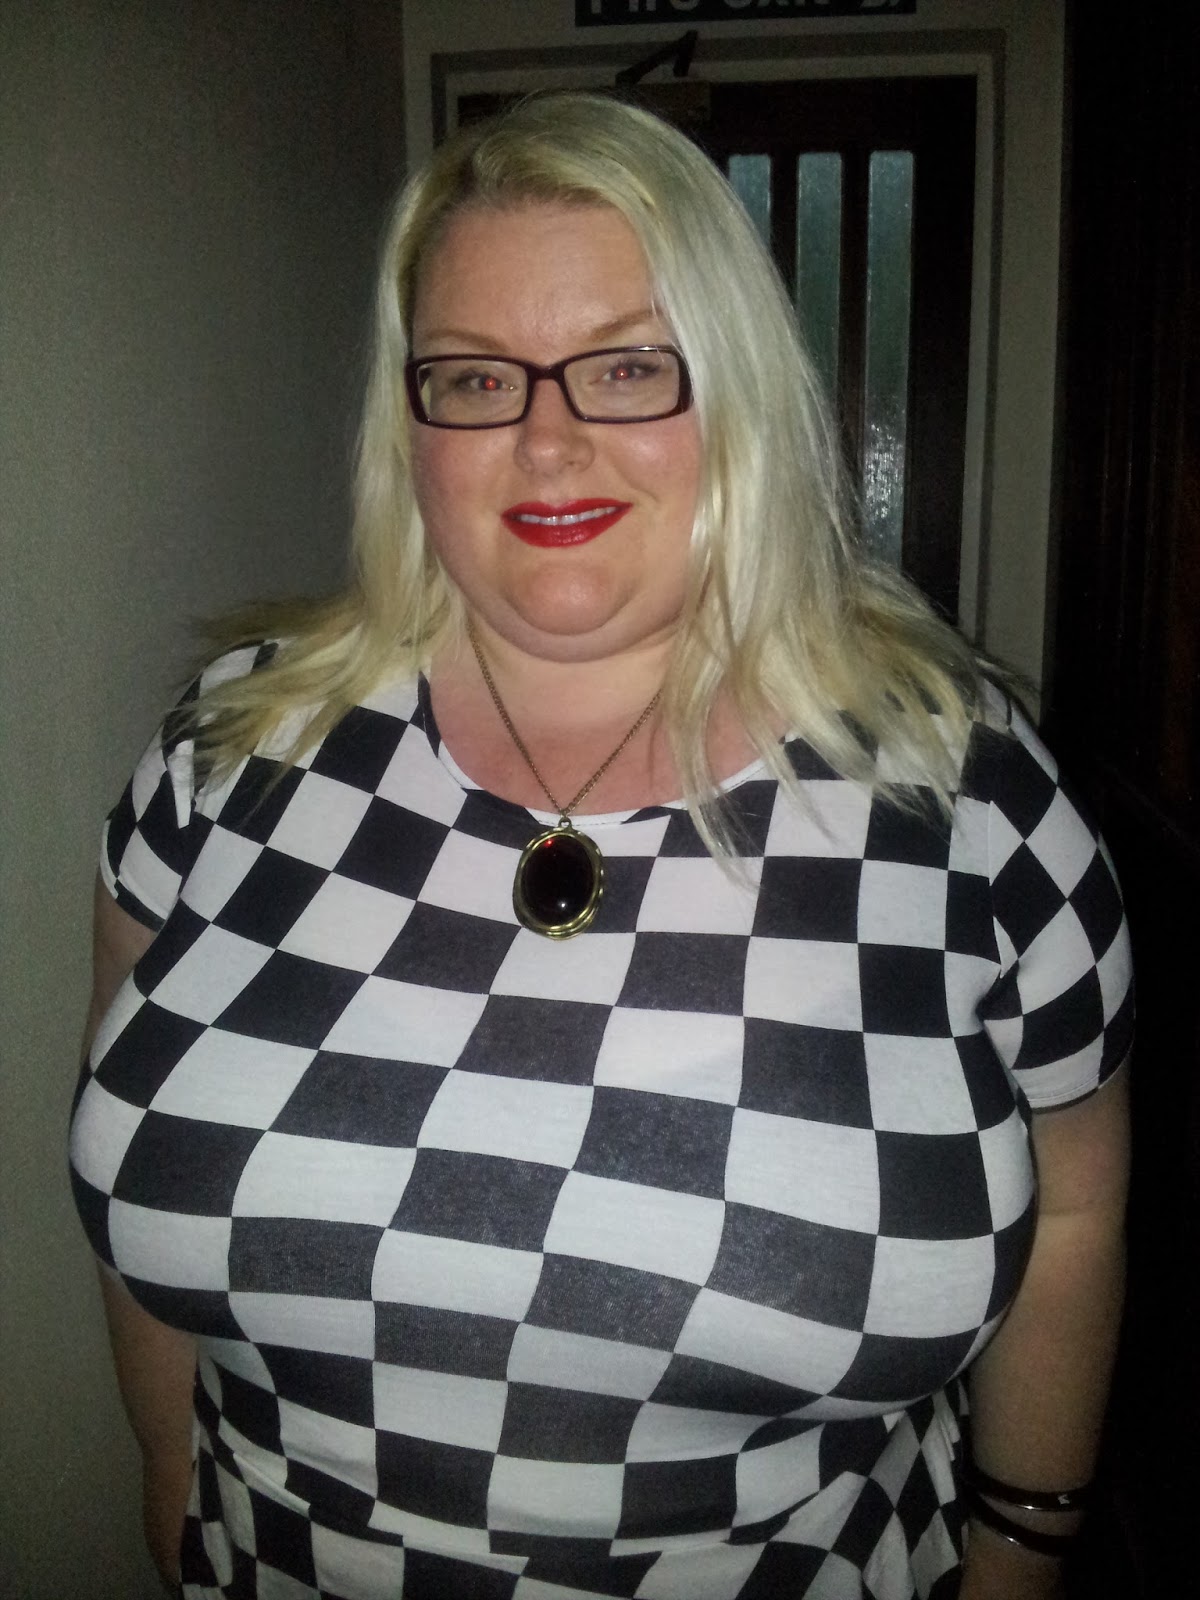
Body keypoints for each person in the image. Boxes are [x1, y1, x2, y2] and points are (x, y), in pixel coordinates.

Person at [70, 92, 1133, 1600]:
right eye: (475, 376)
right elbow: (140, 1151)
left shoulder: (968, 797)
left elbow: (1075, 1209)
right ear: (410, 427)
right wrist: (170, 1483)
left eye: (629, 366)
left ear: (739, 393)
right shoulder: (226, 756)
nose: (548, 439)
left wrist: (1023, 1547)